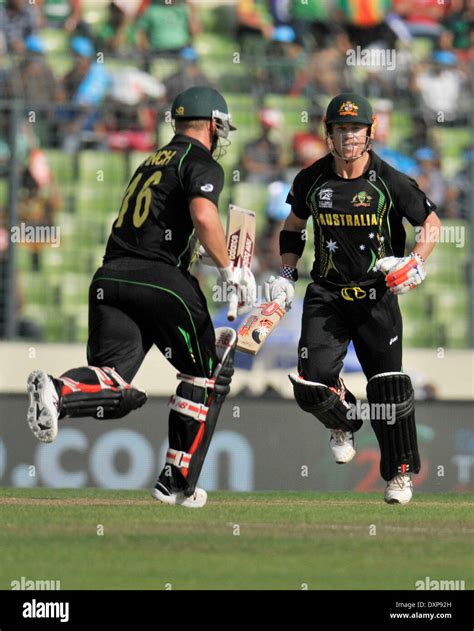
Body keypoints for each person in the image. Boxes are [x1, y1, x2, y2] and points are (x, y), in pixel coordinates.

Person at [26, 86, 256, 509]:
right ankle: (176, 481)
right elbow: (203, 215)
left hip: (110, 278)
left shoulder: (150, 161)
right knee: (208, 372)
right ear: (213, 125)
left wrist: (208, 255)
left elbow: (158, 228)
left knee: (113, 381)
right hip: (160, 281)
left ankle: (58, 392)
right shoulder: (198, 160)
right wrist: (230, 269)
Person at [265, 93, 442, 505]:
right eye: (341, 129)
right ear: (328, 134)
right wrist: (287, 274)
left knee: (389, 388)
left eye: (356, 129)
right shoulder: (312, 179)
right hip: (326, 294)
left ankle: (399, 475)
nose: (349, 137)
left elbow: (430, 223)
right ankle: (343, 421)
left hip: (376, 297)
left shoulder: (388, 180)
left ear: (370, 133)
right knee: (311, 384)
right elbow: (293, 228)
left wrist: (415, 261)